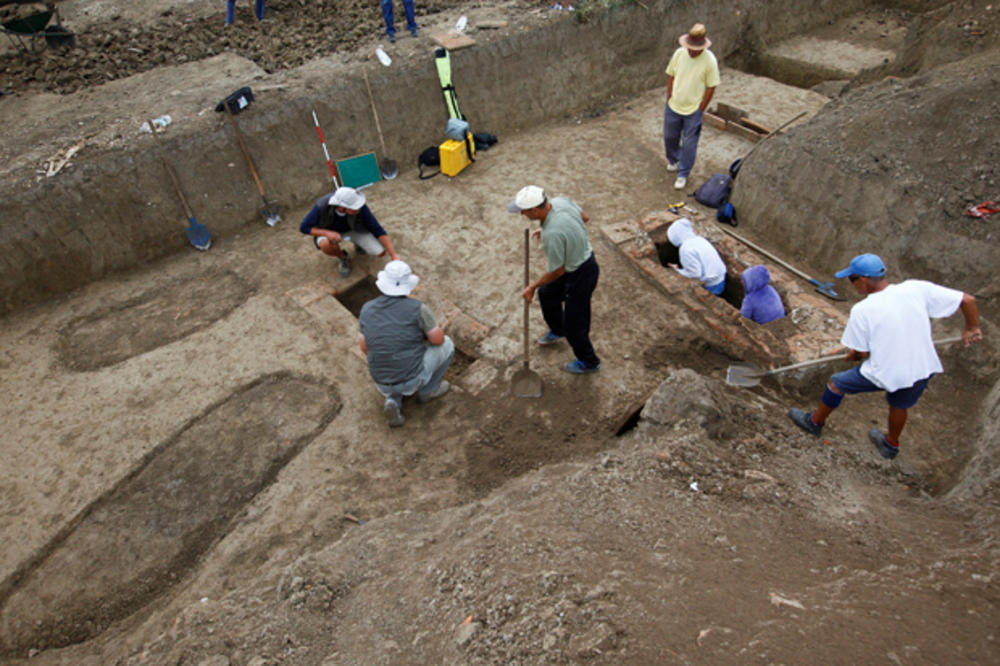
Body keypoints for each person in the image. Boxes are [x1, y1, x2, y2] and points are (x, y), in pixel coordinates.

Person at [788, 253, 982, 459]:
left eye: (851, 279)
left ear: (862, 280)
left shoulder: (863, 310)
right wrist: (972, 327)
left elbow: (862, 353)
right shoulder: (916, 288)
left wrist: (853, 355)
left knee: (836, 384)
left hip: (888, 371)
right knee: (900, 404)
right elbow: (967, 300)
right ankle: (890, 445)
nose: (852, 284)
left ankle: (814, 423)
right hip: (922, 367)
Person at [508, 185, 600, 374]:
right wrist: (561, 233)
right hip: (573, 263)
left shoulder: (553, 235)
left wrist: (532, 286)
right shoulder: (559, 202)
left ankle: (589, 362)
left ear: (535, 210)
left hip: (583, 272)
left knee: (575, 325)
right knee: (547, 294)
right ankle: (558, 330)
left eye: (524, 211)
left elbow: (557, 272)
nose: (522, 214)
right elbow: (585, 217)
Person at [359, 261, 453, 427]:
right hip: (411, 378)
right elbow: (438, 340)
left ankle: (393, 400)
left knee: (393, 366)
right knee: (448, 345)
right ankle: (428, 391)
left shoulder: (366, 309)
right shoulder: (417, 308)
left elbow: (365, 348)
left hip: (380, 379)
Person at [663, 23, 720, 190]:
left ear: (702, 46)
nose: (691, 51)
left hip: (693, 110)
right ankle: (674, 159)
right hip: (674, 105)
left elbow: (711, 87)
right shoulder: (679, 54)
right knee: (669, 136)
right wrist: (669, 97)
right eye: (689, 48)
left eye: (695, 49)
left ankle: (683, 173)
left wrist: (700, 109)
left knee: (690, 143)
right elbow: (671, 75)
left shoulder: (710, 61)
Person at [298, 186, 400, 278]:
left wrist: (393, 254)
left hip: (353, 229)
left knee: (380, 252)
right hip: (330, 232)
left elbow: (377, 229)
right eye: (354, 207)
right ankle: (343, 257)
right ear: (341, 206)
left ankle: (358, 244)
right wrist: (327, 233)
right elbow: (304, 227)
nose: (358, 209)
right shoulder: (322, 206)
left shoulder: (360, 207)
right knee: (325, 245)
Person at [666, 217, 726, 296]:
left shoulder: (685, 249)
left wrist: (677, 270)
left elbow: (695, 274)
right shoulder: (699, 239)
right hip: (721, 275)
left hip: (712, 283)